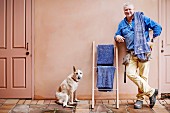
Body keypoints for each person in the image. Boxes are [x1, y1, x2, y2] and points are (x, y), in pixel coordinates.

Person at [114, 2, 162, 109]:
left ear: (134, 10)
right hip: (131, 53)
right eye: (126, 10)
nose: (128, 11)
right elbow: (117, 34)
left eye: (130, 9)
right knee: (130, 73)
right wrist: (117, 36)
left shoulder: (142, 18)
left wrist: (152, 41)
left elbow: (157, 27)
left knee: (143, 77)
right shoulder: (122, 24)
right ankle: (152, 92)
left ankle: (139, 100)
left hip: (144, 52)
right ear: (124, 11)